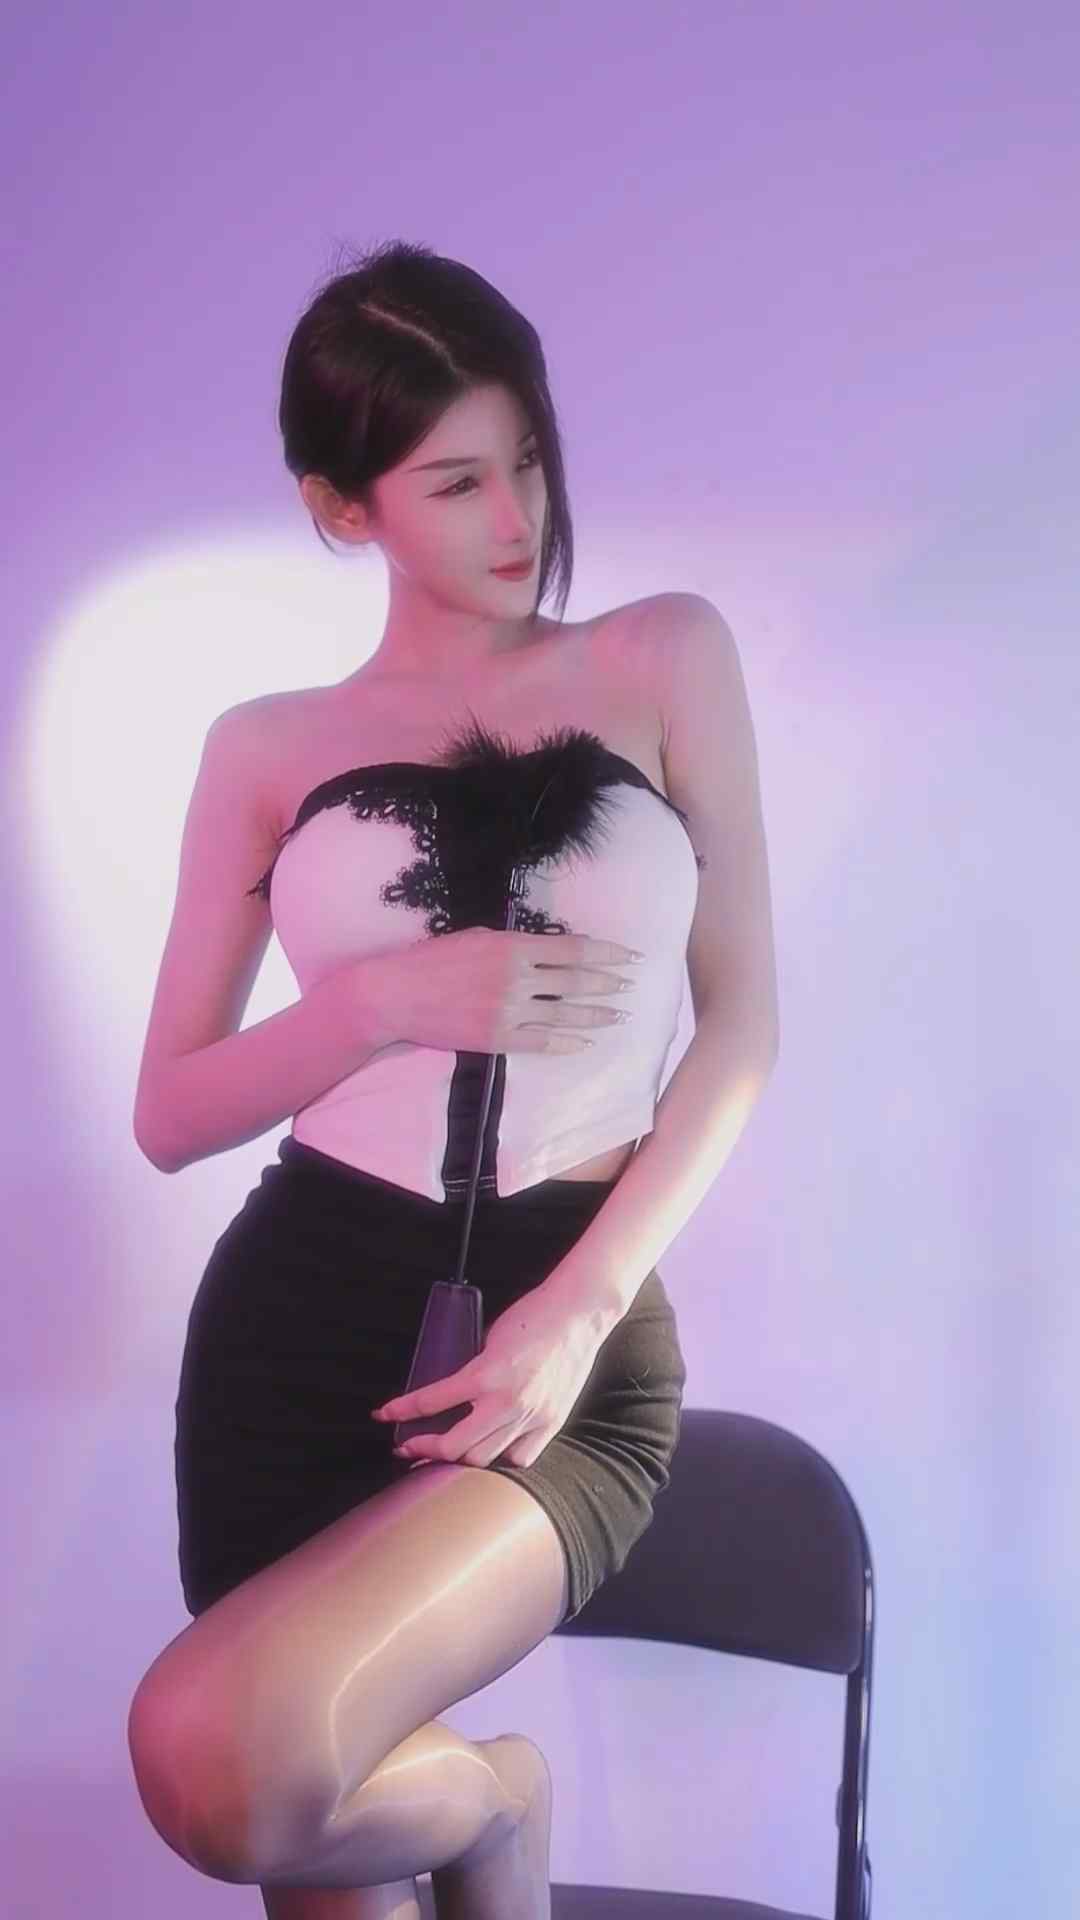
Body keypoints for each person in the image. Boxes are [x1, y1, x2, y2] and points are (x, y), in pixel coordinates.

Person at [124, 241, 777, 1920]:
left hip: (564, 1331)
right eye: (457, 480)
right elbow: (172, 1113)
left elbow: (742, 1029)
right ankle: (487, 1809)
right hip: (301, 1327)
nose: (517, 518)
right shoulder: (265, 745)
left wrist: (581, 1308)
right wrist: (376, 1002)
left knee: (226, 1752)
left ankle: (493, 1806)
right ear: (343, 508)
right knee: (266, 1808)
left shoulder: (663, 655)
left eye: (530, 461)